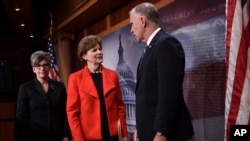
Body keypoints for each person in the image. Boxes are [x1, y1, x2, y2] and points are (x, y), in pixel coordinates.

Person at [129, 2, 194, 141]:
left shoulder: (166, 44)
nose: (131, 30)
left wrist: (161, 131)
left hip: (164, 134)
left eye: (132, 24)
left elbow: (168, 93)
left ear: (142, 21)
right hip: (149, 130)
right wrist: (140, 128)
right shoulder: (151, 48)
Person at [66, 35, 128, 141]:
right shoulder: (75, 78)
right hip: (88, 137)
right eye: (94, 50)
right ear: (85, 56)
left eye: (100, 49)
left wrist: (124, 134)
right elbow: (72, 113)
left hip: (113, 135)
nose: (99, 52)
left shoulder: (112, 75)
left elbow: (120, 107)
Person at [16, 50, 71, 141]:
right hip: (34, 136)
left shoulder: (59, 87)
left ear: (49, 67)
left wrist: (66, 135)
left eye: (45, 65)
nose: (42, 69)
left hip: (58, 135)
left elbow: (66, 112)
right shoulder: (26, 88)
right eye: (38, 65)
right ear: (33, 69)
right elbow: (21, 117)